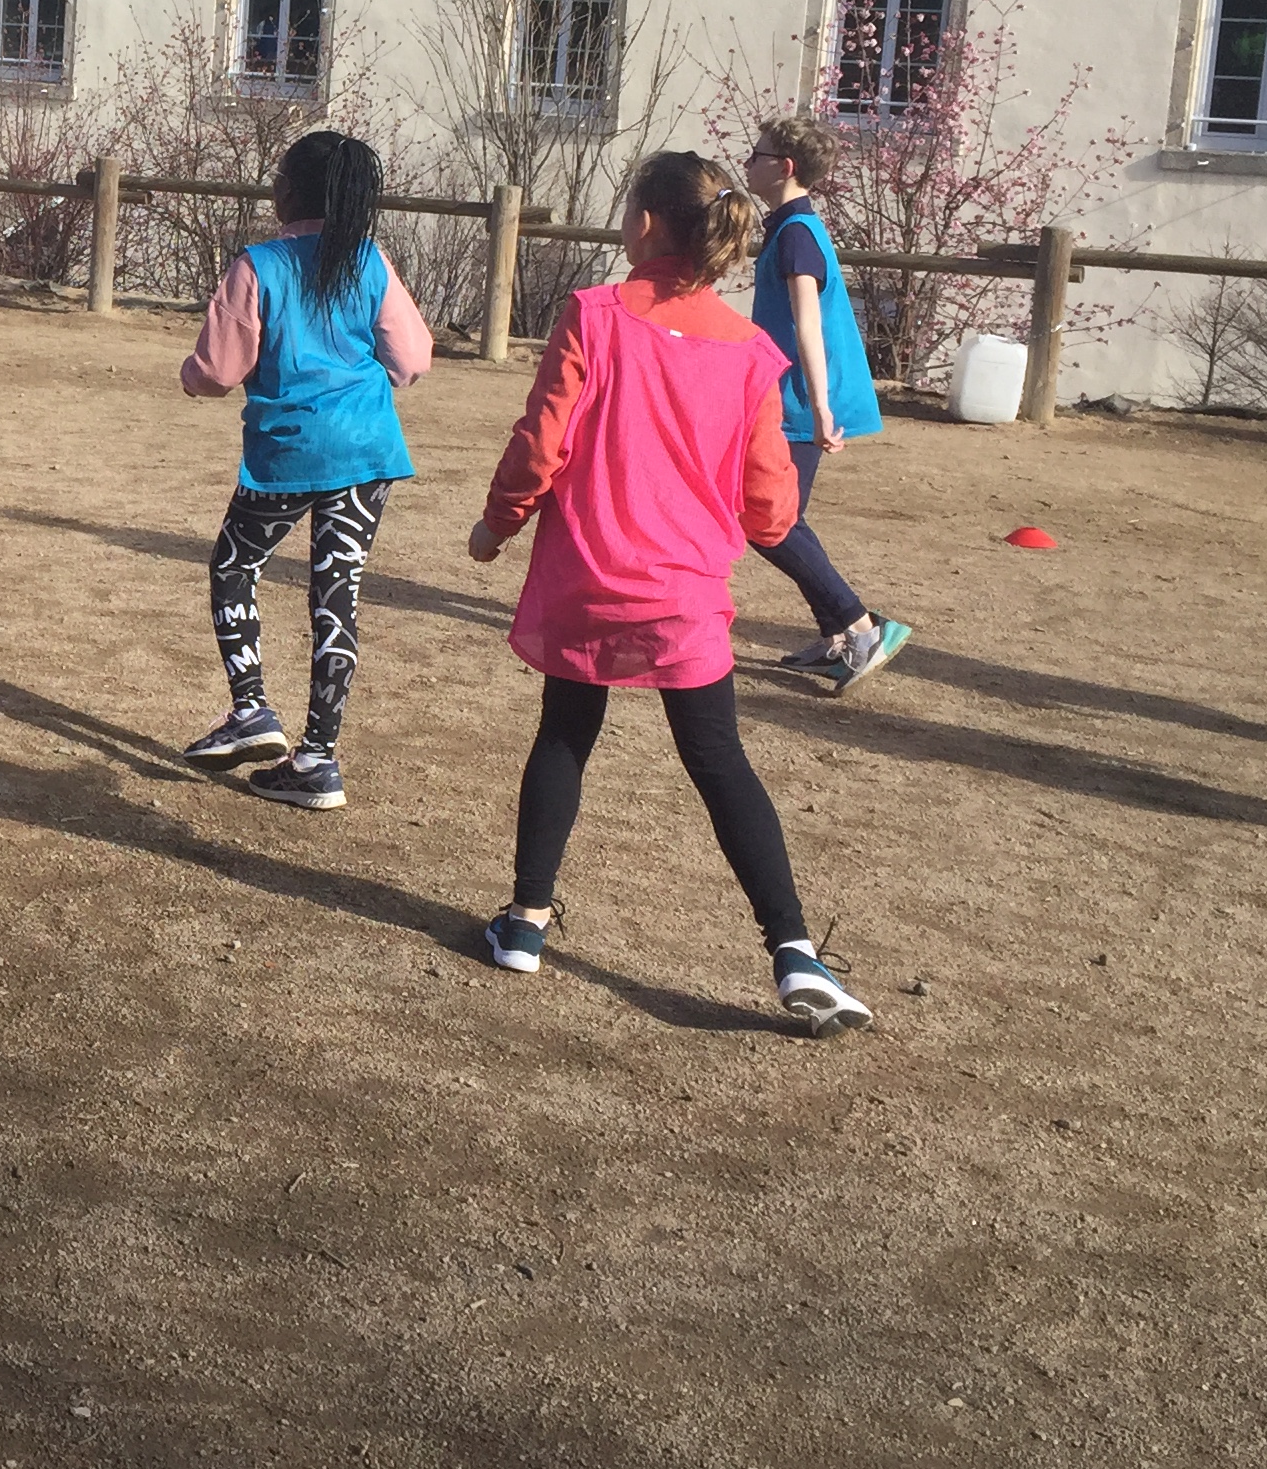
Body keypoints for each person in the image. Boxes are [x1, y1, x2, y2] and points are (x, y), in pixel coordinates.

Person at [467, 151, 872, 1036]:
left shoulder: (594, 316)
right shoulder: (750, 353)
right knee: (720, 761)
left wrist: (497, 525)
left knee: (565, 733)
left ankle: (525, 926)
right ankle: (795, 952)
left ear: (645, 224)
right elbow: (771, 506)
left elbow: (543, 441)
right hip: (684, 593)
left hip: (586, 576)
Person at [174, 130, 431, 811]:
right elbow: (410, 360)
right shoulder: (368, 261)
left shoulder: (258, 265)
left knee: (235, 566)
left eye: (280, 174)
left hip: (289, 452)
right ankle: (318, 758)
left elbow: (219, 371)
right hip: (366, 449)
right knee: (335, 593)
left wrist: (191, 377)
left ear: (292, 191)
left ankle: (252, 709)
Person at [744, 116, 911, 690]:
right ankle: (839, 636)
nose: (747, 164)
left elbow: (807, 324)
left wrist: (819, 408)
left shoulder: (797, 234)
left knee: (770, 519)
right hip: (786, 396)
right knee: (779, 516)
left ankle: (863, 629)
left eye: (756, 155)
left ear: (784, 169)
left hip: (797, 400)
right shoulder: (789, 227)